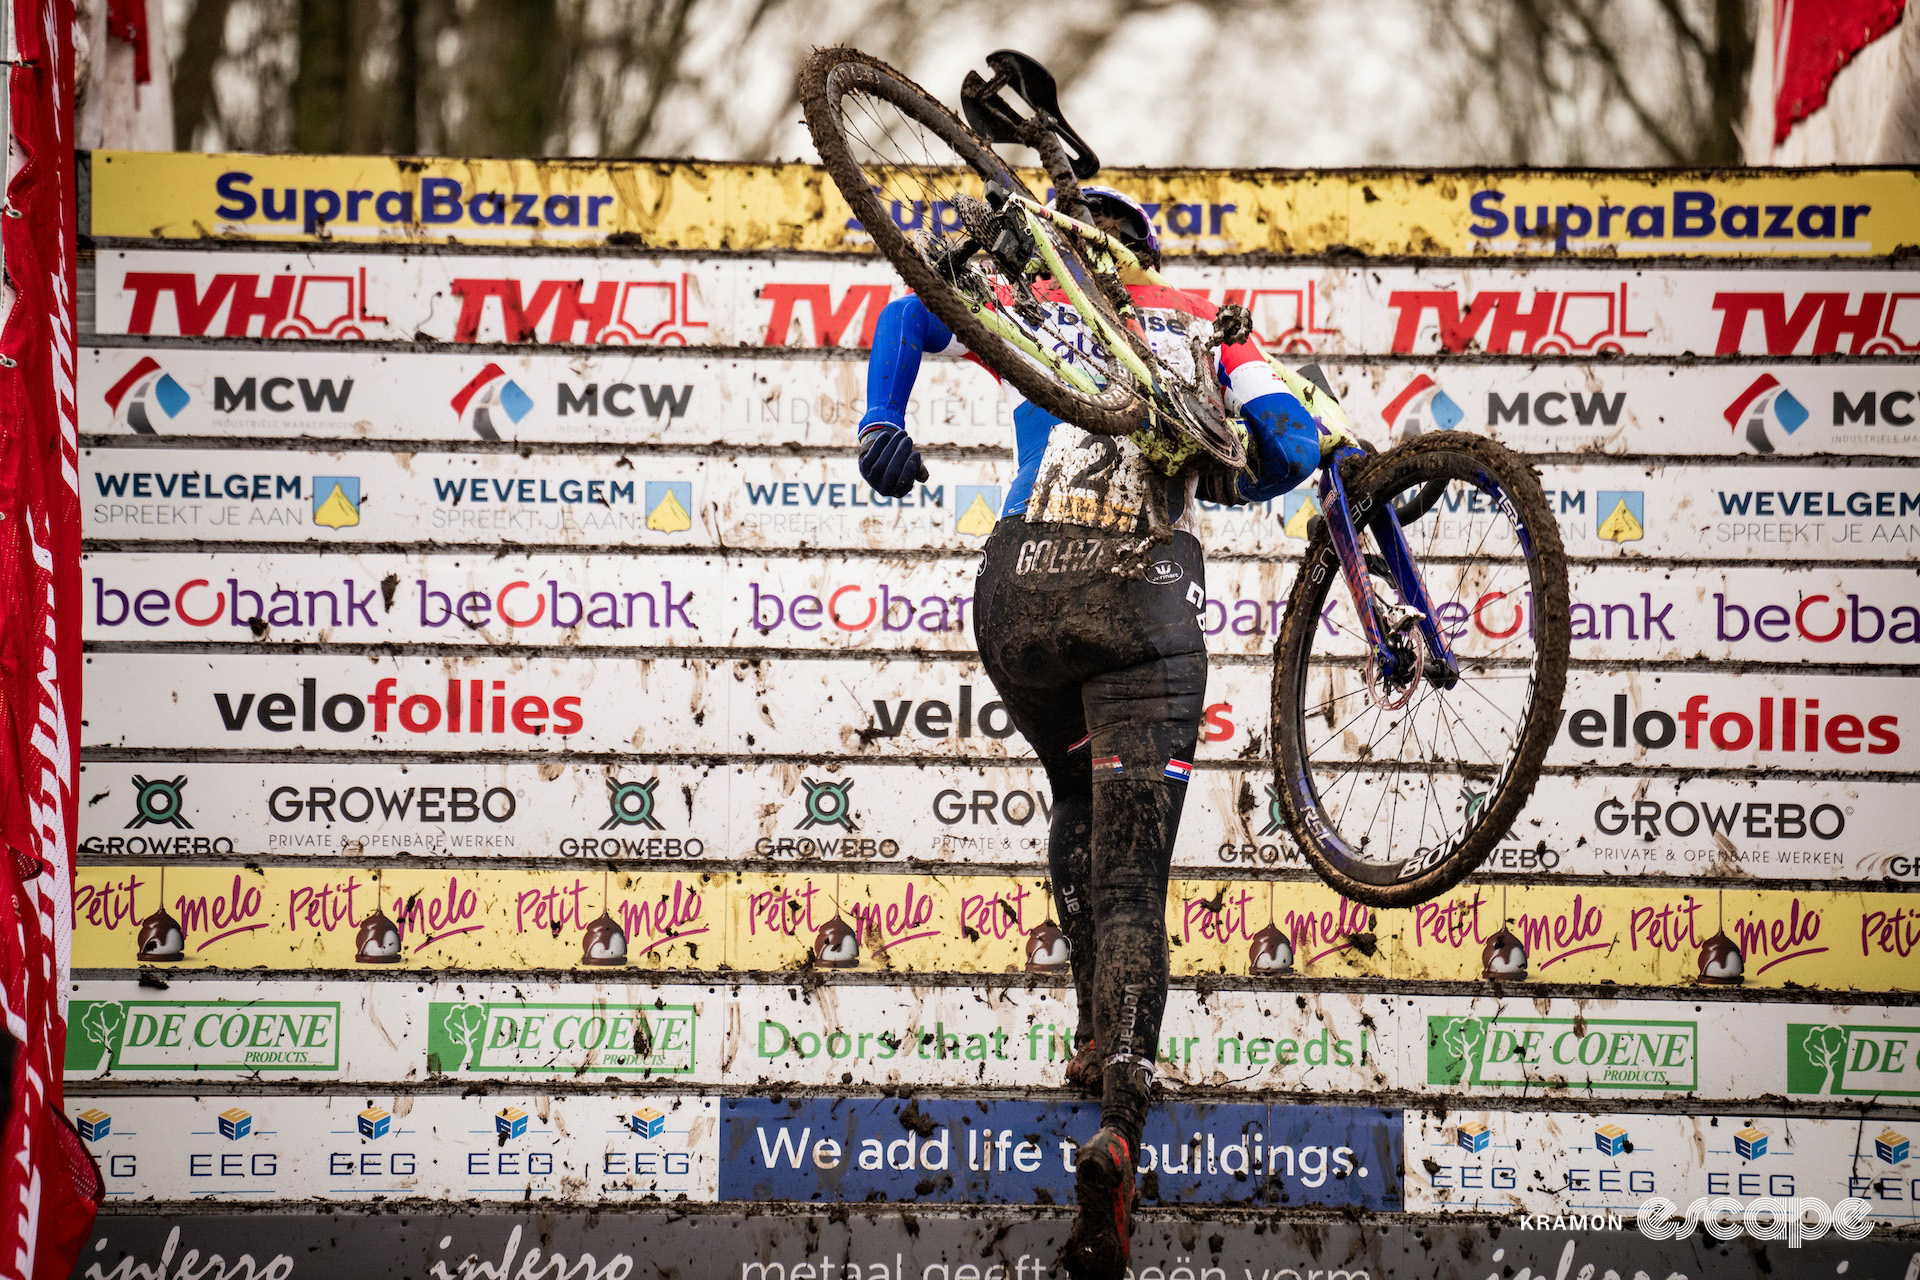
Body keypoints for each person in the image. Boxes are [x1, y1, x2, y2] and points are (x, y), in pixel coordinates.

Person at [854, 187, 1348, 1280]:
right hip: (1140, 605)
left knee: (1075, 795)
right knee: (1132, 881)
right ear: (1149, 254)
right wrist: (1303, 457)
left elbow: (908, 313)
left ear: (1075, 248)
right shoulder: (1201, 318)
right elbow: (1284, 442)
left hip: (1019, 597)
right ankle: (1120, 1115)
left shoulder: (1037, 300)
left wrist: (881, 418)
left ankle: (1086, 1027)